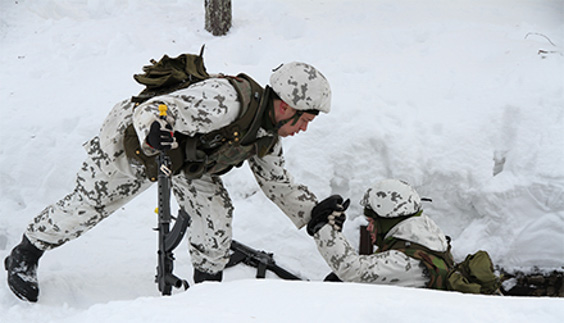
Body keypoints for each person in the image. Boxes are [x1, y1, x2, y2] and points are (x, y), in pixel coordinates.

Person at [5, 61, 344, 302]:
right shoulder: (225, 101)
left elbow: (278, 184)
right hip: (138, 145)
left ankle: (204, 295)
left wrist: (313, 213)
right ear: (287, 106)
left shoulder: (268, 133)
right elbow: (155, 110)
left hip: (186, 162)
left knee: (216, 215)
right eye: (306, 119)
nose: (304, 128)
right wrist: (155, 133)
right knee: (89, 206)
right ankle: (26, 253)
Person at [307, 179, 454, 288]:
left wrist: (324, 228)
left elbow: (352, 271)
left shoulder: (406, 260)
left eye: (372, 222)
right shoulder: (421, 231)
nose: (369, 228)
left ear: (387, 221)